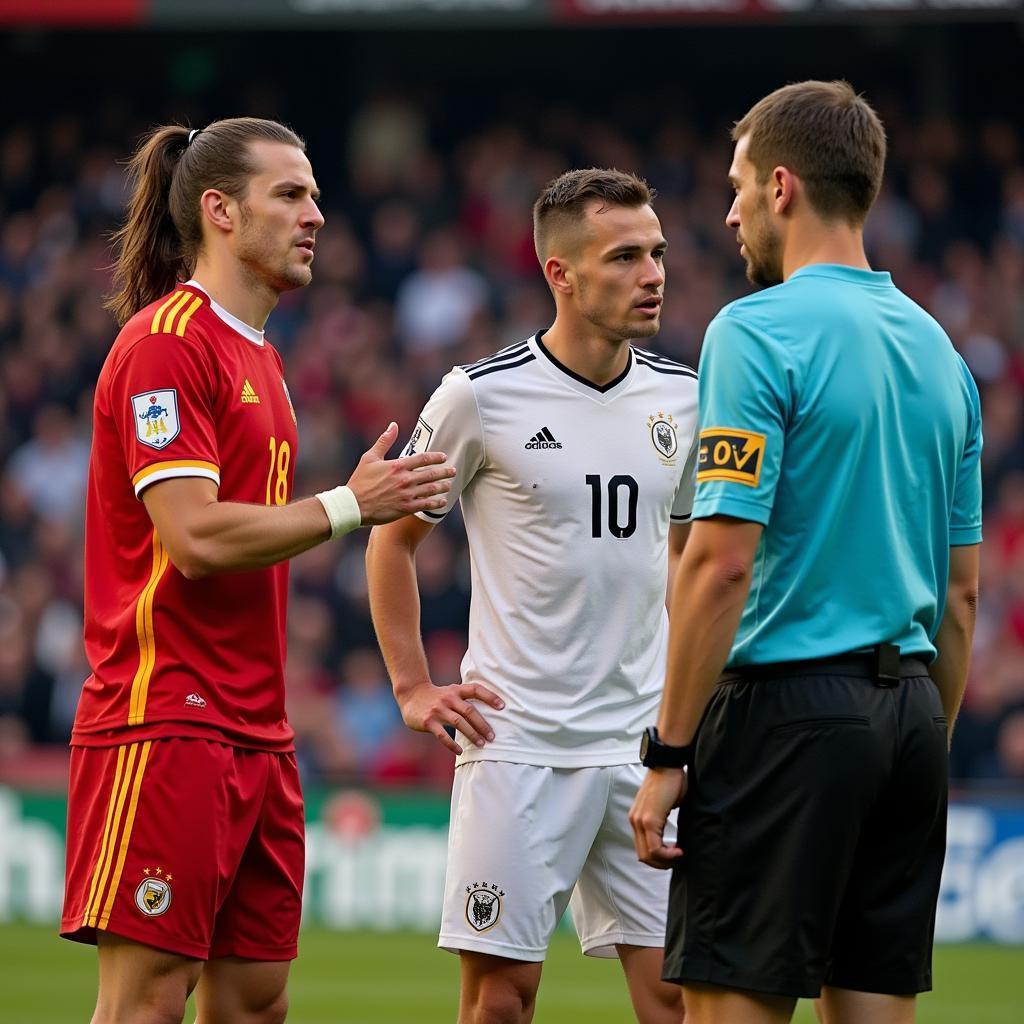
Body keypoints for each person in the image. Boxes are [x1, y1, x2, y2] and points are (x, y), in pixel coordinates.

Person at [59, 117, 455, 1024]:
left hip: (260, 731)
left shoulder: (262, 358)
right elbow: (192, 538)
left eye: (314, 194)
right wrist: (351, 504)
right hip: (164, 720)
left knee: (254, 1004)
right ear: (219, 211)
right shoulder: (166, 343)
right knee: (147, 1002)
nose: (316, 213)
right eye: (291, 194)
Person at [629, 81, 982, 1024]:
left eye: (739, 185)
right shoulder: (945, 354)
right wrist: (913, 744)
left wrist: (668, 754)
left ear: (783, 186)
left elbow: (720, 563)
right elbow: (960, 599)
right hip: (910, 718)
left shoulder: (756, 329)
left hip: (787, 712)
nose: (731, 209)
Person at [366, 168, 698, 1024]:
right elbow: (390, 540)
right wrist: (411, 686)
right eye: (625, 256)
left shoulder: (687, 399)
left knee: (676, 1001)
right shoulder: (480, 395)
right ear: (561, 272)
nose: (653, 273)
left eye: (657, 253)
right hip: (518, 749)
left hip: (642, 751)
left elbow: (699, 563)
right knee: (500, 1005)